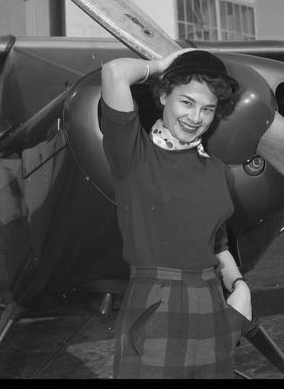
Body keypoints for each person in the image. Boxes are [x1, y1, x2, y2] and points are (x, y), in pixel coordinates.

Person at [100, 49, 254, 379]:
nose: (196, 117)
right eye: (186, 102)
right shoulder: (133, 154)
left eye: (207, 109)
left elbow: (218, 244)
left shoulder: (217, 171)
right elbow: (114, 73)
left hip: (212, 309)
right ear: (163, 96)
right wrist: (160, 65)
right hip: (153, 310)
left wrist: (240, 286)